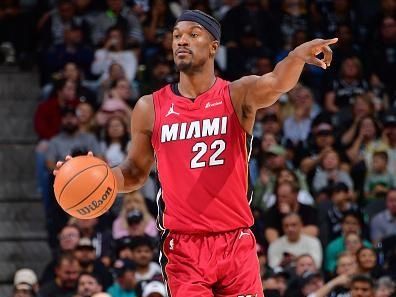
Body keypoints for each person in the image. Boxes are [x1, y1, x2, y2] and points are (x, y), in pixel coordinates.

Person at [55, 9, 338, 296]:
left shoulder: (237, 94)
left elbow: (277, 82)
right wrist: (93, 177)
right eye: (177, 36)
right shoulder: (150, 107)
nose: (181, 41)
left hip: (235, 241)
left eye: (193, 35)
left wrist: (296, 57)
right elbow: (134, 172)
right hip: (184, 248)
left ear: (214, 46)